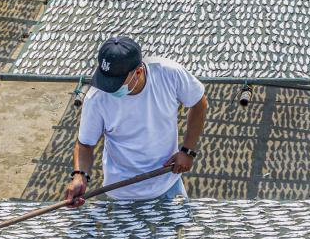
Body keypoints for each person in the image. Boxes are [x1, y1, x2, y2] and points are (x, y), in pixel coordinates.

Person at [64, 36, 208, 206]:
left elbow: (199, 102)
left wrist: (188, 151)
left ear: (138, 72)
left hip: (167, 183)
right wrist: (79, 176)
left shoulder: (169, 74)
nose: (108, 88)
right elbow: (85, 144)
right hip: (120, 193)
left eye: (115, 83)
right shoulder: (97, 98)